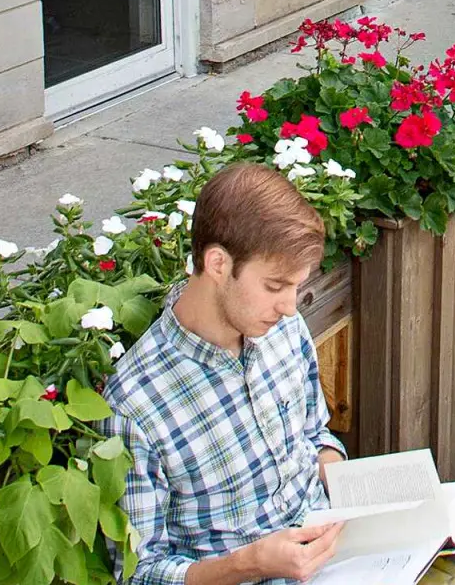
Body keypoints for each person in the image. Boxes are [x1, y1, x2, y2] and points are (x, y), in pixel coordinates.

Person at [105, 163, 347, 585]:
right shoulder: (135, 405)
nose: (290, 307)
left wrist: (343, 476)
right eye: (274, 287)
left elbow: (313, 435)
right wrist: (250, 564)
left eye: (295, 287)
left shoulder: (282, 328)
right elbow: (138, 573)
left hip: (338, 553)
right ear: (217, 263)